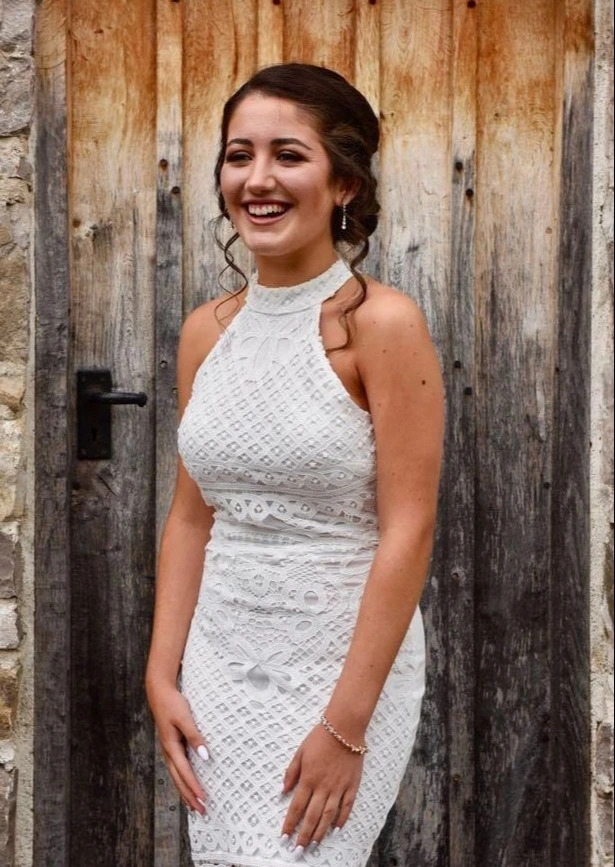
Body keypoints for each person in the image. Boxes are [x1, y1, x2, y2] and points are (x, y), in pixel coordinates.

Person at [145, 62, 445, 867]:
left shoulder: (383, 324)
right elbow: (191, 516)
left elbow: (408, 527)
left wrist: (344, 726)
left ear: (344, 183)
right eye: (238, 155)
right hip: (219, 661)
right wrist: (161, 673)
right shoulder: (205, 332)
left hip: (340, 670)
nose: (258, 179)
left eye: (288, 155)